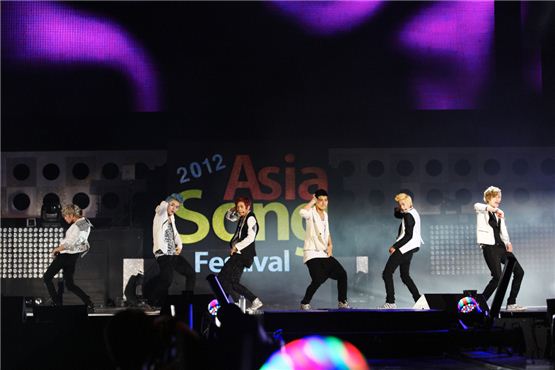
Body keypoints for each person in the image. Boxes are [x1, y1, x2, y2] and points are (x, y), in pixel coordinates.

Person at [474, 186, 525, 311]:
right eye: (496, 196)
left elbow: (503, 230)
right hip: (490, 248)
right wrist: (491, 209)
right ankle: (478, 305)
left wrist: (508, 242)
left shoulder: (499, 212)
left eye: (500, 197)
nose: (499, 199)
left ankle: (511, 303)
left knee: (519, 272)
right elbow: (476, 205)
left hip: (502, 247)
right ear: (489, 198)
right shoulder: (482, 210)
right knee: (497, 277)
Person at [299, 189, 349, 310]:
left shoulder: (325, 215)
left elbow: (327, 232)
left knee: (342, 274)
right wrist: (312, 201)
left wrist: (330, 245)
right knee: (319, 279)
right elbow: (302, 212)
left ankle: (342, 302)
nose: (323, 202)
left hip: (323, 253)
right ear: (316, 200)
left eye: (325, 200)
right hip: (311, 252)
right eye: (320, 200)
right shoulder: (311, 212)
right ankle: (305, 303)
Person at [43, 204, 95, 311]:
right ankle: (88, 302)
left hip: (66, 255)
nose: (65, 218)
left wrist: (57, 249)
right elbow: (78, 242)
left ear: (71, 214)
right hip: (71, 256)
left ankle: (56, 303)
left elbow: (71, 243)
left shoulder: (79, 225)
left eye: (66, 216)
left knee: (47, 277)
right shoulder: (83, 223)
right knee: (70, 285)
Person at [218, 197, 263, 314]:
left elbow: (251, 237)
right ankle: (254, 301)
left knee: (222, 278)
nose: (239, 209)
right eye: (238, 207)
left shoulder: (250, 218)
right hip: (239, 254)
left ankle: (237, 302)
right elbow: (229, 216)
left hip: (243, 254)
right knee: (233, 282)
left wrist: (237, 247)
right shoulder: (242, 217)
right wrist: (235, 207)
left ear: (248, 207)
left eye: (242, 207)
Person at [151, 193, 196, 307]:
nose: (174, 209)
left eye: (177, 207)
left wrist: (179, 246)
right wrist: (168, 201)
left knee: (190, 274)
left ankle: (188, 300)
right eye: (172, 205)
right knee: (167, 280)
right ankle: (152, 302)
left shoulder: (172, 217)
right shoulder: (160, 214)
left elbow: (175, 233)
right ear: (167, 204)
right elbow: (161, 206)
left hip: (172, 254)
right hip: (162, 253)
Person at [379, 193, 422, 309]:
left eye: (403, 204)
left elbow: (408, 235)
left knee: (387, 273)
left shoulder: (409, 215)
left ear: (409, 203)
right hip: (410, 248)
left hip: (404, 248)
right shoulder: (413, 212)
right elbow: (398, 215)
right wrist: (398, 208)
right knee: (405, 276)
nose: (402, 207)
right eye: (400, 204)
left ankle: (391, 302)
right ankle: (419, 300)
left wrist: (395, 246)